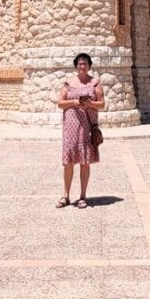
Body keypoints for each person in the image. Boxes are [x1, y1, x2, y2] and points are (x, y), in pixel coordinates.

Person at [56, 52, 104, 208]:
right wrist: (74, 102)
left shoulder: (95, 83)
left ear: (89, 66)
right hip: (70, 126)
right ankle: (66, 195)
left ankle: (83, 196)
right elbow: (60, 103)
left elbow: (102, 104)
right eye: (80, 63)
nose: (82, 66)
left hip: (86, 127)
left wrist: (89, 104)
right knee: (68, 162)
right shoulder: (68, 83)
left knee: (84, 162)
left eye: (85, 63)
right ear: (76, 66)